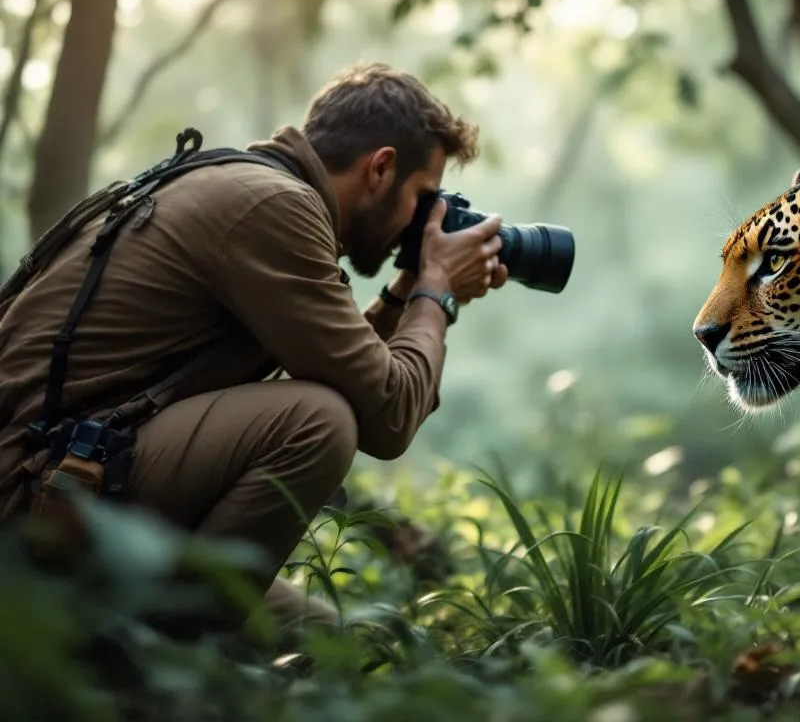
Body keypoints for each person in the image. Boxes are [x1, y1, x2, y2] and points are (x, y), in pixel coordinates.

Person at [0, 62, 507, 637]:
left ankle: (170, 644)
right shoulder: (274, 210)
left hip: (68, 470)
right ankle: (145, 672)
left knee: (333, 640)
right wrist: (435, 292)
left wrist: (405, 289)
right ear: (381, 168)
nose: (426, 221)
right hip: (31, 495)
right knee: (317, 421)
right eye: (424, 198)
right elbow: (386, 417)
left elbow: (352, 366)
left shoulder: (242, 183)